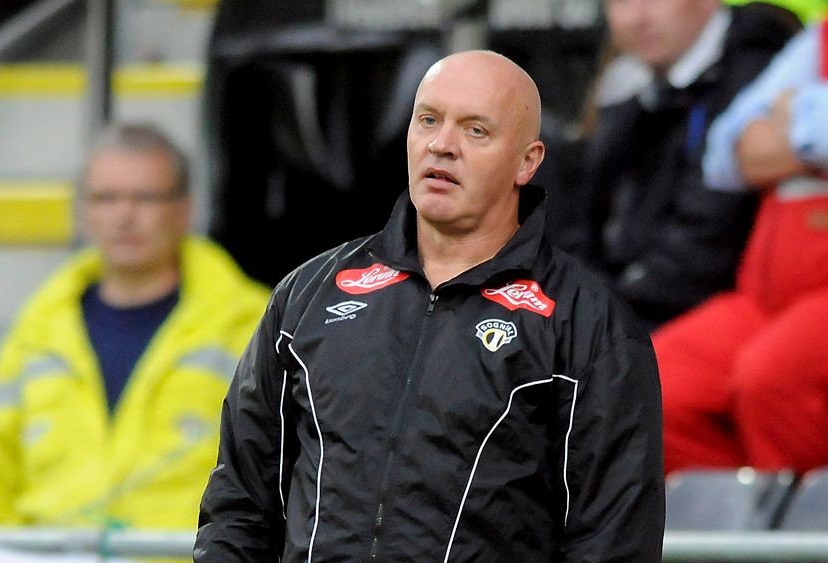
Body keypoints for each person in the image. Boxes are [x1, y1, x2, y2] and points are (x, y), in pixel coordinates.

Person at [195, 50, 664, 562]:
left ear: (527, 162)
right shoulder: (309, 294)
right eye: (428, 121)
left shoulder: (587, 322)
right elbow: (239, 504)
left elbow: (614, 542)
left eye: (476, 130)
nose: (442, 145)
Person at [0, 123, 271, 529]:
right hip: (51, 554)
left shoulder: (250, 322)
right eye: (106, 198)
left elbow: (280, 464)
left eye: (145, 198)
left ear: (185, 210)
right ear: (84, 211)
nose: (124, 216)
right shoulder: (42, 324)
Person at [654, 0, 828, 474]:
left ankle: (813, 519)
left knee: (774, 375)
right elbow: (725, 152)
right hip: (770, 296)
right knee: (646, 386)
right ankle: (753, 510)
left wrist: (792, 122)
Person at [546, 0, 800, 327]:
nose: (636, 17)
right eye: (619, 1)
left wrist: (596, 313)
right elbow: (587, 219)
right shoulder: (627, 79)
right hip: (628, 302)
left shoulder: (757, 77)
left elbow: (706, 250)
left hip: (700, 315)